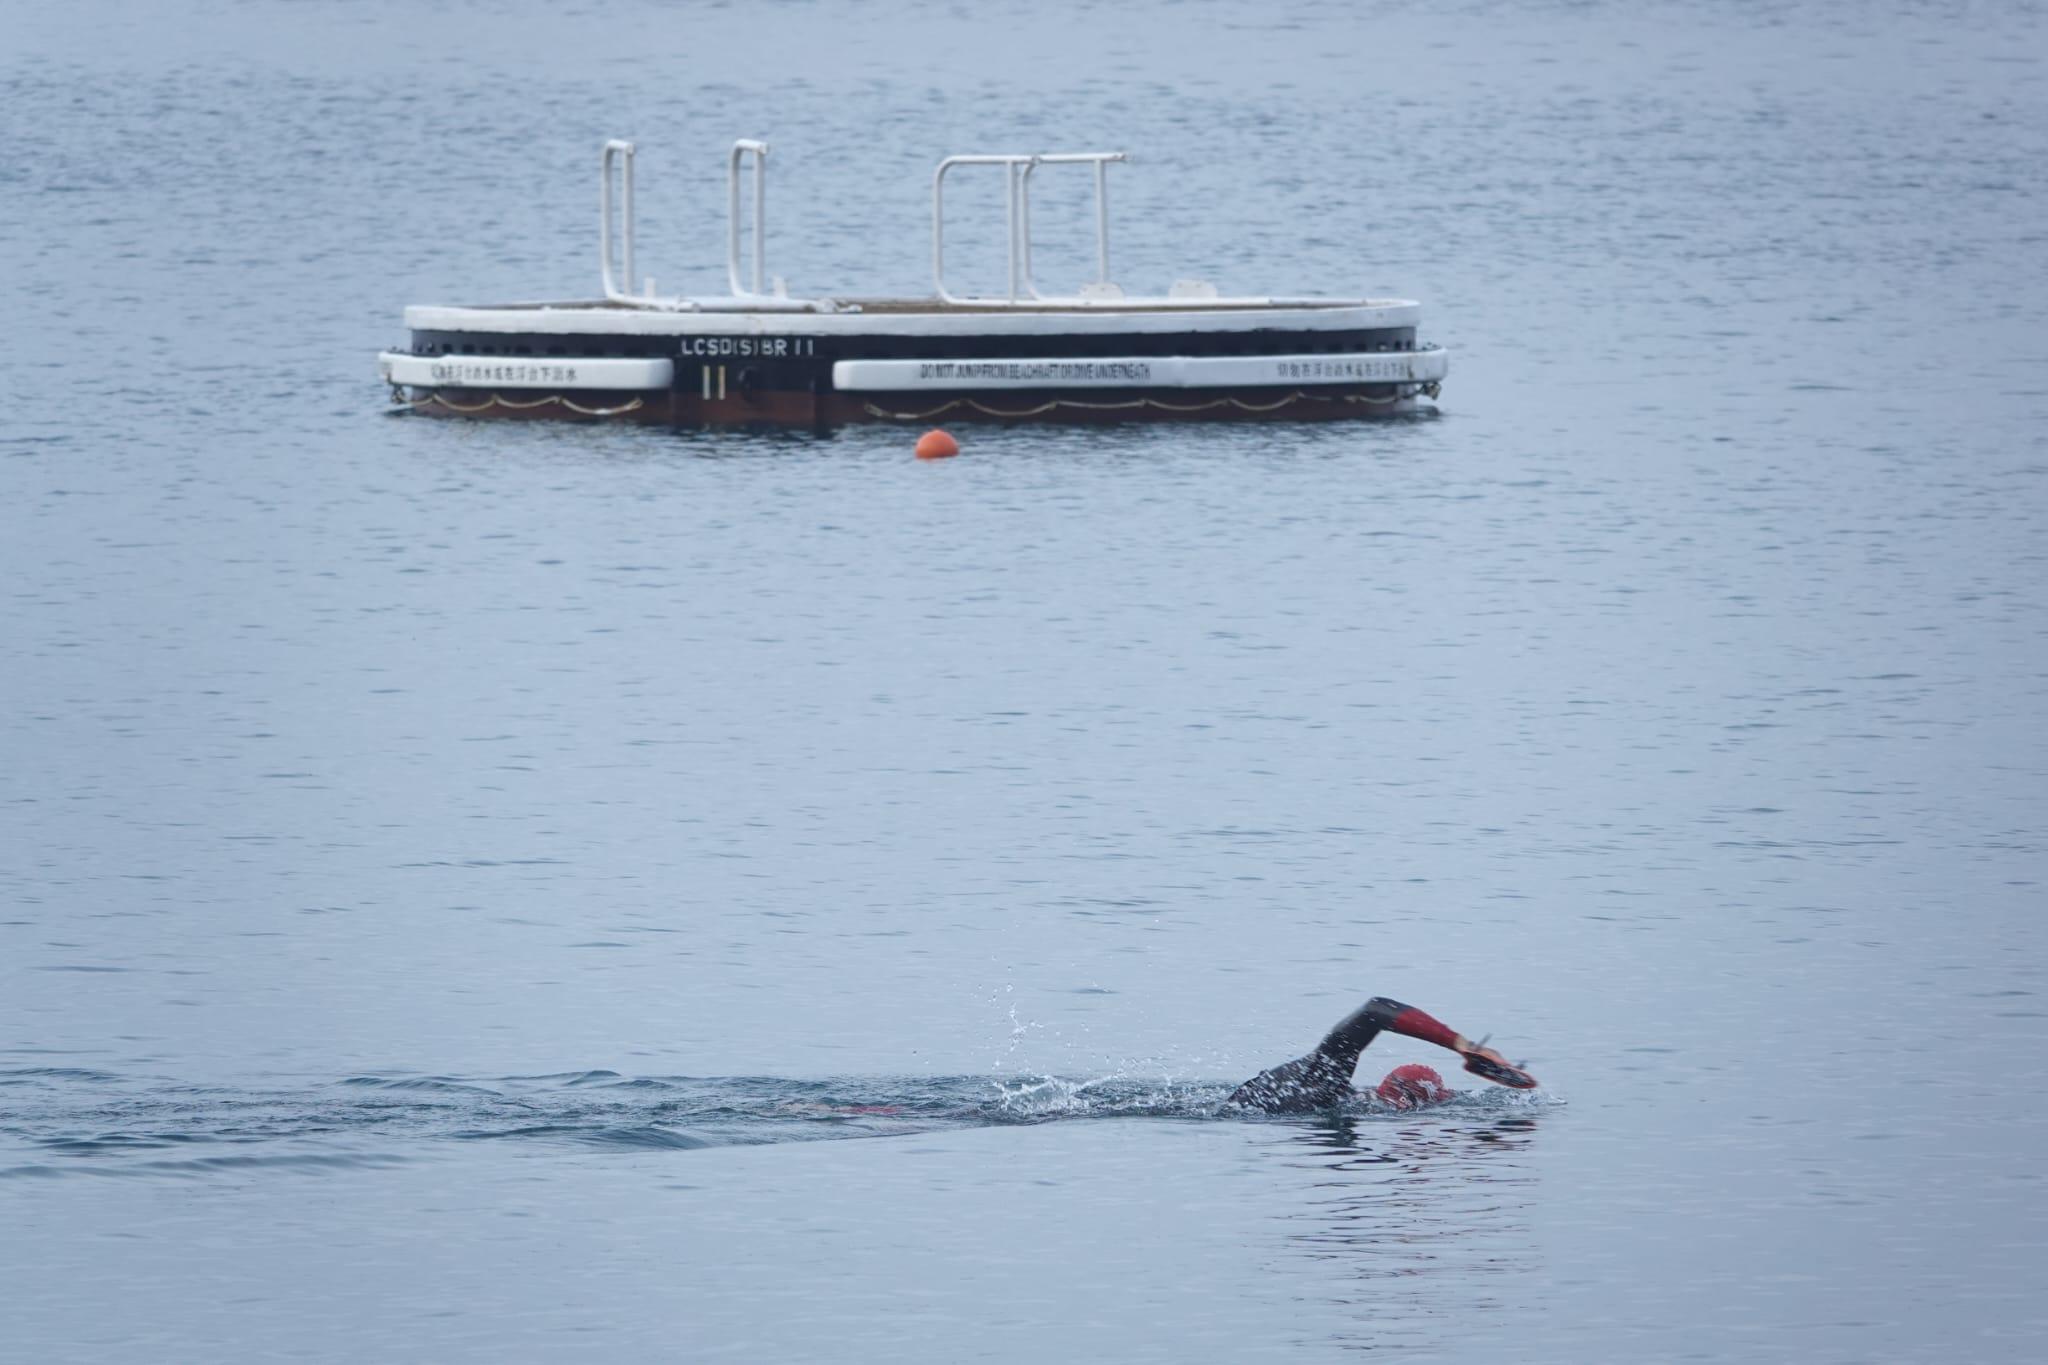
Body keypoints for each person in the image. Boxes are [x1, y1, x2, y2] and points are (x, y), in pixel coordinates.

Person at [1228, 996, 1537, 1114]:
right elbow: (1375, 1010)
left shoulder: (1321, 1080)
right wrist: (1464, 1046)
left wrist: (1461, 1044)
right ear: (1403, 1102)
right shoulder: (1321, 1087)